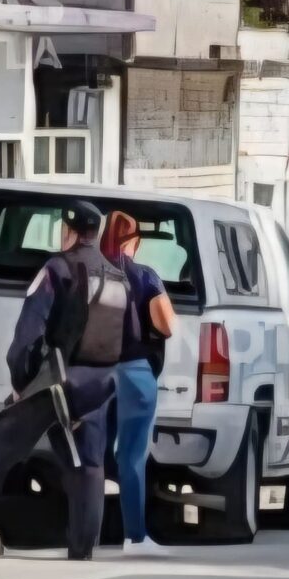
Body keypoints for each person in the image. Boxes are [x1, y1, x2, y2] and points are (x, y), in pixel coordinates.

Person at [0, 199, 127, 559]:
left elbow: (28, 334)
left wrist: (21, 381)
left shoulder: (58, 269)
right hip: (99, 384)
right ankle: (83, 549)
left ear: (68, 230)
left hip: (54, 379)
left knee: (0, 449)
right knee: (88, 466)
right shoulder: (116, 274)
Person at [99, 210, 177, 554]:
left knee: (91, 453)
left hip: (93, 373)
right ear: (135, 242)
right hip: (134, 372)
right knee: (131, 456)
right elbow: (166, 325)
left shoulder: (87, 271)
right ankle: (135, 537)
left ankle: (86, 532)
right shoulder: (145, 275)